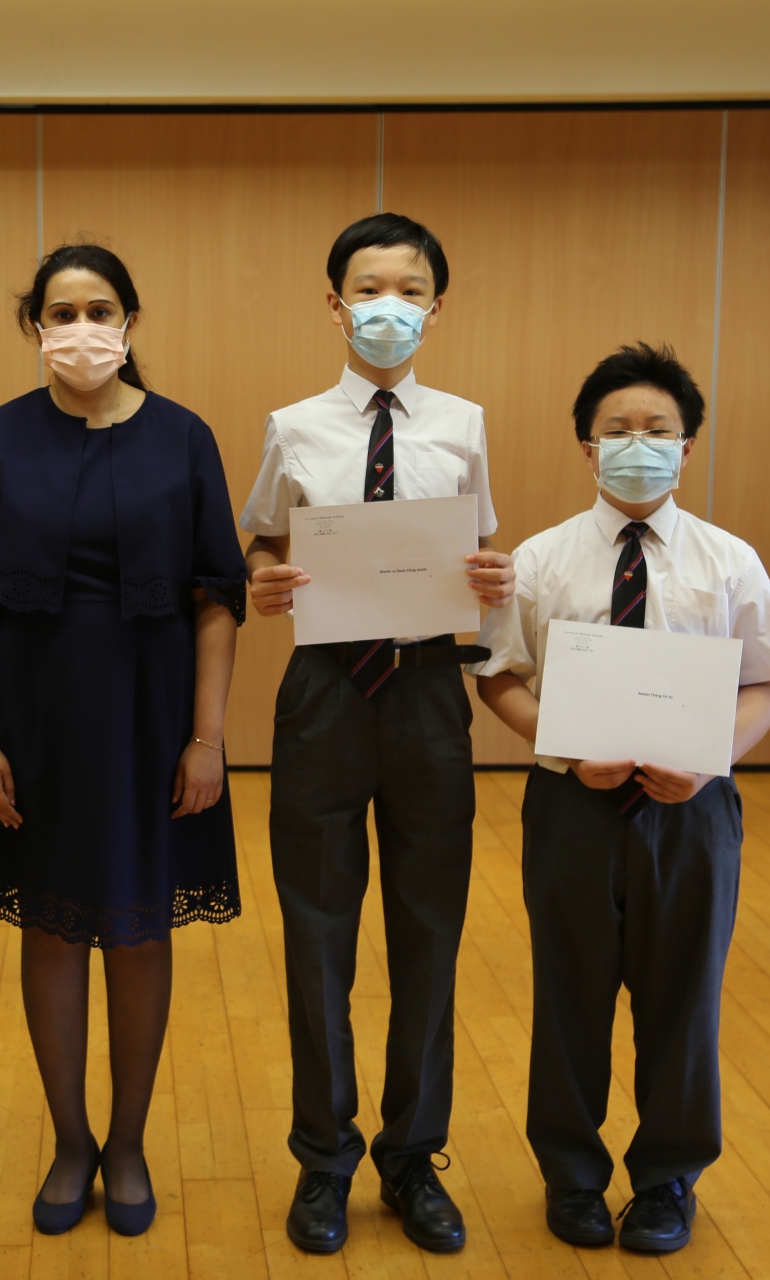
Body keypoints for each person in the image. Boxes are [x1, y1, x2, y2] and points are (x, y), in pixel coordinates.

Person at [0, 243, 246, 1238]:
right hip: (34, 715)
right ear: (36, 328)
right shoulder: (2, 433)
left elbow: (217, 597)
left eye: (98, 309)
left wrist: (208, 737)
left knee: (141, 927)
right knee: (55, 925)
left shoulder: (185, 436)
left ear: (130, 322)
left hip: (154, 717)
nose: (80, 329)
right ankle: (71, 1140)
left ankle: (129, 1141)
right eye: (60, 313)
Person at [475, 342, 770, 1254]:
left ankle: (667, 1180)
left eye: (657, 430)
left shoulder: (728, 560)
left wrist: (711, 760)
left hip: (692, 811)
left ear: (687, 446)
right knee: (569, 995)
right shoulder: (540, 559)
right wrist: (563, 747)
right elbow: (497, 677)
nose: (637, 443)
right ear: (587, 447)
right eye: (617, 429)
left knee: (684, 997)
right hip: (572, 806)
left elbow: (766, 682)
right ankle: (572, 1176)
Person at [239, 213, 516, 1256]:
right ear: (335, 303)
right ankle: (324, 1157)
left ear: (435, 309)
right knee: (317, 930)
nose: (387, 306)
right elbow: (264, 536)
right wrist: (267, 578)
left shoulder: (464, 423)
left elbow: (478, 544)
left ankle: (412, 1157)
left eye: (410, 290)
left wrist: (493, 574)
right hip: (324, 690)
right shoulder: (293, 424)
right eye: (368, 288)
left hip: (428, 689)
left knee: (429, 928)